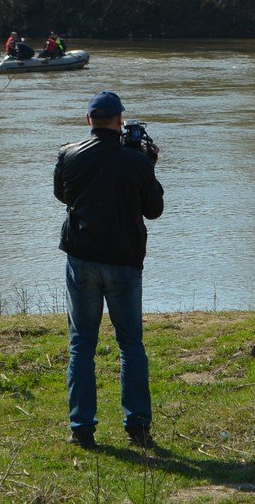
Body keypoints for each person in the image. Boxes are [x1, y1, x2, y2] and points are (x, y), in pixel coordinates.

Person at [54, 91, 163, 449]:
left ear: (89, 120)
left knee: (81, 345)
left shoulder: (68, 154)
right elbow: (154, 210)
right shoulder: (137, 161)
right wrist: (149, 165)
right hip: (124, 262)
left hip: (82, 258)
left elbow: (62, 196)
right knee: (131, 344)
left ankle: (81, 428)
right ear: (119, 121)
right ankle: (138, 427)